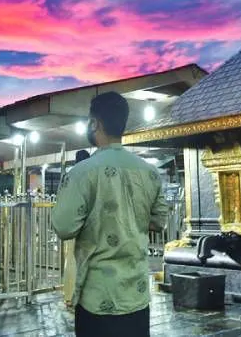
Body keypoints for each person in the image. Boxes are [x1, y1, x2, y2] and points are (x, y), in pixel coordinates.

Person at [52, 92, 168, 337]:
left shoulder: (81, 173)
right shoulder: (149, 173)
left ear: (95, 123)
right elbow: (159, 220)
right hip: (136, 296)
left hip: (97, 297)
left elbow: (63, 227)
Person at [62, 149, 92, 308]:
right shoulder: (92, 174)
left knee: (71, 258)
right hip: (89, 224)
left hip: (73, 222)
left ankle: (69, 296)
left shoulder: (70, 176)